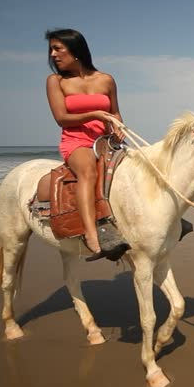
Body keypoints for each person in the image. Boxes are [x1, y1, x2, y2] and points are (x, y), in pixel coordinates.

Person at [45, 28, 128, 260]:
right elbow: (61, 118)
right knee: (88, 172)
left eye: (58, 48)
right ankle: (92, 234)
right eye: (51, 49)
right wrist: (97, 115)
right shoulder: (56, 81)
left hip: (105, 141)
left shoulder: (106, 79)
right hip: (76, 140)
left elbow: (116, 113)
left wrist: (117, 128)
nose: (53, 54)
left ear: (75, 50)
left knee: (138, 168)